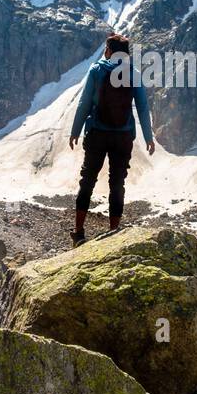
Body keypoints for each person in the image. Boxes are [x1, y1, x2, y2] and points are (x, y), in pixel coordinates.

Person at [68, 33, 155, 245]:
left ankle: (79, 232)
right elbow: (143, 108)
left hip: (97, 133)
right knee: (117, 184)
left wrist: (75, 130)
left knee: (87, 179)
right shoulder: (133, 73)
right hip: (123, 137)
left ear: (109, 50)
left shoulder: (97, 70)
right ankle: (114, 234)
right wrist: (148, 137)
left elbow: (84, 103)